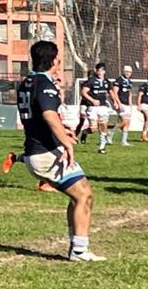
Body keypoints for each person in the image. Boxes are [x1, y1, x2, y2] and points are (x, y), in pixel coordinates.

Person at [10, 40, 104, 261]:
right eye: (58, 58)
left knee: (80, 195)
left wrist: (63, 132)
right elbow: (49, 115)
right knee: (84, 195)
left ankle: (77, 246)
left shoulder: (27, 82)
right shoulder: (45, 84)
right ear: (53, 61)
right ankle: (79, 250)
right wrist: (67, 143)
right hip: (45, 153)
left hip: (39, 149)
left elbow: (40, 117)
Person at [79, 62, 113, 154]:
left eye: (101, 70)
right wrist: (92, 100)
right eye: (98, 70)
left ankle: (102, 147)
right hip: (92, 107)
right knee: (93, 129)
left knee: (103, 126)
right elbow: (83, 92)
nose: (100, 72)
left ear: (104, 71)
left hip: (103, 107)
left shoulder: (107, 82)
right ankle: (85, 132)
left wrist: (116, 102)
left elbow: (111, 92)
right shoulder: (91, 81)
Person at [108, 65, 135, 147]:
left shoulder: (129, 81)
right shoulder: (119, 80)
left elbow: (129, 93)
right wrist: (118, 103)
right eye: (126, 71)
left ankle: (124, 141)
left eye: (129, 72)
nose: (128, 73)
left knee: (128, 122)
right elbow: (115, 92)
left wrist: (130, 103)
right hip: (121, 103)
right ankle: (110, 133)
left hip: (127, 104)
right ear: (124, 71)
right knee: (124, 121)